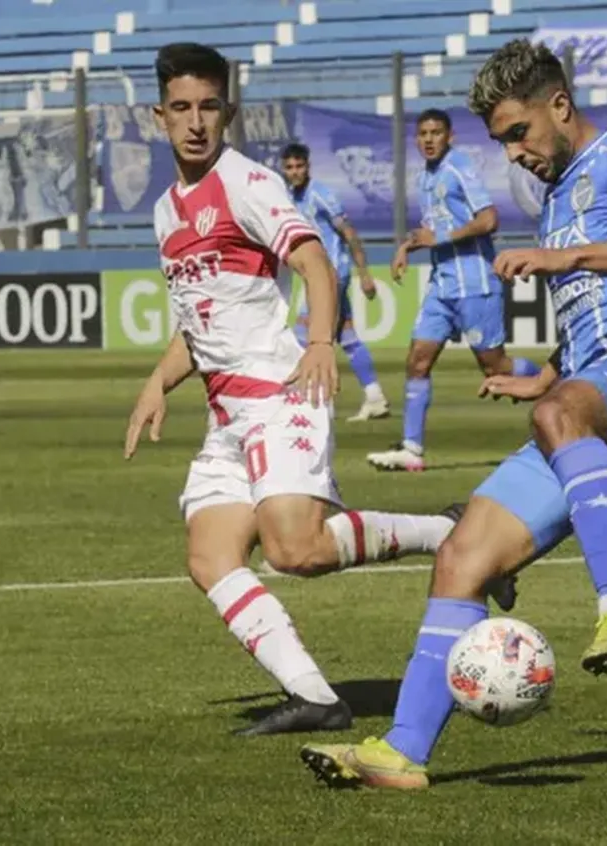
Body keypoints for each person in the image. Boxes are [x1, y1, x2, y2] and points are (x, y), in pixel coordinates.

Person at [299, 38, 607, 790]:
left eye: (518, 132)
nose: (513, 152)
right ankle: (402, 752)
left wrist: (567, 261)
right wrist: (544, 376)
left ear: (559, 106)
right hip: (596, 396)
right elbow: (590, 321)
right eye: (501, 140)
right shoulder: (554, 199)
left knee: (559, 415)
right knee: (463, 555)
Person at [127, 42, 464, 737]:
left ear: (229, 111)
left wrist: (319, 340)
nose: (196, 122)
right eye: (182, 109)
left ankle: (449, 533)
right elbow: (198, 324)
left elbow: (312, 259)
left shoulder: (246, 183)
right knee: (209, 556)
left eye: (209, 107)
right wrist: (156, 385)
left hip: (279, 392)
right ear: (159, 117)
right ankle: (317, 698)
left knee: (294, 551)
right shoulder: (166, 211)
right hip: (228, 415)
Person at [367, 108, 540, 472]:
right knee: (417, 360)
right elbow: (433, 230)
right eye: (423, 133)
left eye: (436, 133)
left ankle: (558, 381)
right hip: (441, 287)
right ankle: (411, 449)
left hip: (475, 285)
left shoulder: (459, 167)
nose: (429, 139)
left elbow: (488, 219)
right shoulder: (426, 177)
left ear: (450, 137)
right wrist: (406, 247)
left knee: (496, 368)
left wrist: (440, 238)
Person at [280, 142, 390, 422]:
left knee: (303, 338)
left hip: (331, 275)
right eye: (289, 167)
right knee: (349, 338)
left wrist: (364, 274)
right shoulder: (291, 198)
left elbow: (349, 233)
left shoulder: (321, 194)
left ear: (308, 166)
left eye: (299, 166)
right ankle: (375, 396)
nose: (295, 172)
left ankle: (303, 406)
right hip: (314, 277)